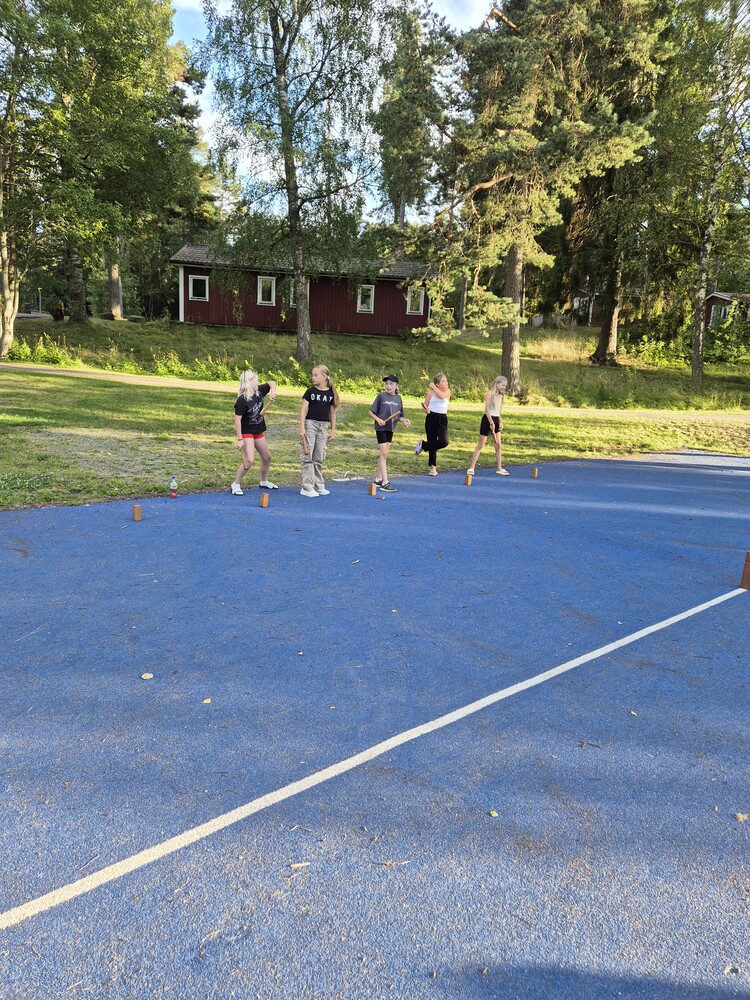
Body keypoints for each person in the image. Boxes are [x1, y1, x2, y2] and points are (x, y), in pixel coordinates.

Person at [230, 370, 278, 495]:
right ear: (249, 382)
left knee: (267, 457)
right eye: (256, 380)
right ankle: (236, 484)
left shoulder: (259, 391)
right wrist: (239, 439)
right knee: (249, 461)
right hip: (247, 431)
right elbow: (237, 420)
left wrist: (273, 392)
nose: (258, 382)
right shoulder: (242, 399)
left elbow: (272, 382)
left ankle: (264, 482)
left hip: (258, 430)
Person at [299, 365, 339, 497]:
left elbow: (332, 413)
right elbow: (303, 410)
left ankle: (318, 484)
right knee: (308, 454)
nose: (313, 377)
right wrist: (302, 428)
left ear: (325, 376)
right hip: (310, 424)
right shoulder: (310, 392)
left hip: (323, 426)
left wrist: (332, 430)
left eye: (316, 375)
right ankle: (307, 486)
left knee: (319, 455)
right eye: (312, 375)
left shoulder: (330, 394)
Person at [368, 375, 411, 493]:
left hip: (390, 428)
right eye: (387, 384)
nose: (388, 386)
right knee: (383, 453)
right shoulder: (381, 396)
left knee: (384, 454)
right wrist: (378, 420)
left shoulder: (398, 398)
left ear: (396, 386)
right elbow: (371, 412)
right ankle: (385, 482)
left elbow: (399, 415)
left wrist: (404, 420)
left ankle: (378, 479)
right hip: (381, 428)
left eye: (391, 384)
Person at [467, 375, 510, 476]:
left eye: (505, 386)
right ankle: (472, 467)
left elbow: (498, 410)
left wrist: (500, 421)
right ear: (497, 384)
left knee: (498, 445)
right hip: (487, 419)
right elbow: (486, 409)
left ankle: (499, 468)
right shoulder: (490, 394)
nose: (504, 387)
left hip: (496, 419)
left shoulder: (501, 396)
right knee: (481, 444)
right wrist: (491, 423)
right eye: (503, 385)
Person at [414, 373, 450, 476]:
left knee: (444, 441)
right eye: (443, 381)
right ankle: (433, 468)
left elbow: (442, 396)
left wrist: (433, 386)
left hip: (442, 418)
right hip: (431, 417)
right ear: (437, 383)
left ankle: (423, 445)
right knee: (432, 440)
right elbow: (424, 406)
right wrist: (426, 410)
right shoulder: (430, 393)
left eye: (446, 381)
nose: (446, 383)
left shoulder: (447, 391)